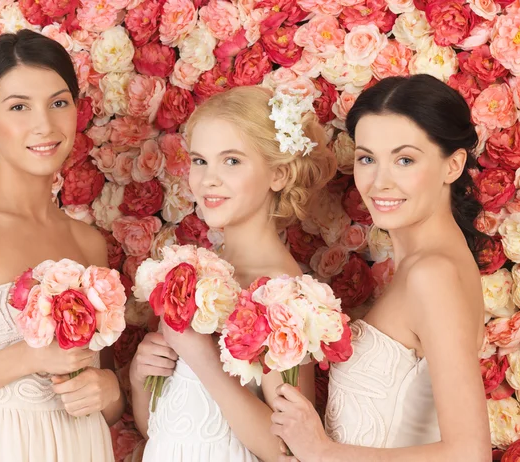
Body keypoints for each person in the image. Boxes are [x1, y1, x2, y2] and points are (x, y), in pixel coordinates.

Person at [0, 30, 124, 461]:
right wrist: (26, 357)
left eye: (58, 102)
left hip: (83, 447)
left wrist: (108, 391)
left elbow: (103, 402)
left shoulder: (87, 243)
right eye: (18, 107)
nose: (45, 126)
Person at [270, 74, 492, 462]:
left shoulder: (432, 274)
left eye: (404, 159)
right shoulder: (426, 264)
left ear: (453, 165)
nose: (379, 182)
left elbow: (468, 453)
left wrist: (321, 452)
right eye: (367, 158)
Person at [129, 85, 337, 461]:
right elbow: (158, 428)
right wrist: (142, 377)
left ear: (278, 174)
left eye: (232, 161)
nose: (209, 178)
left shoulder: (283, 296)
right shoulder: (190, 275)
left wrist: (202, 357)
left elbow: (288, 450)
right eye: (200, 160)